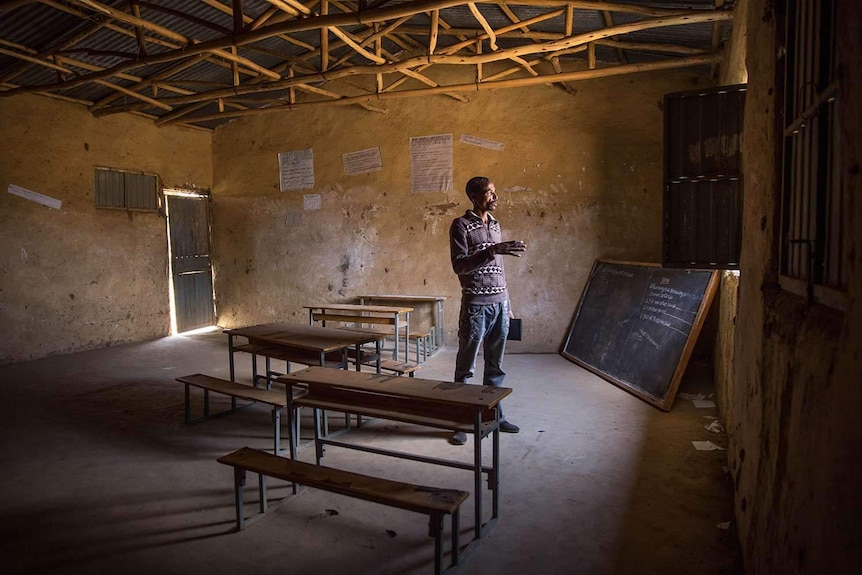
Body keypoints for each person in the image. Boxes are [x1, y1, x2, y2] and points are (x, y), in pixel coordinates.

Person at [448, 176, 527, 446]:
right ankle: (460, 420)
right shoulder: (460, 225)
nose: (495, 197)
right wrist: (492, 250)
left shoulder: (495, 224)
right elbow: (459, 266)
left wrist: (509, 303)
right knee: (466, 368)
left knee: (496, 367)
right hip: (476, 306)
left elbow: (500, 269)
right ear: (473, 196)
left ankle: (494, 415)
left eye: (495, 192)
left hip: (500, 304)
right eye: (489, 193)